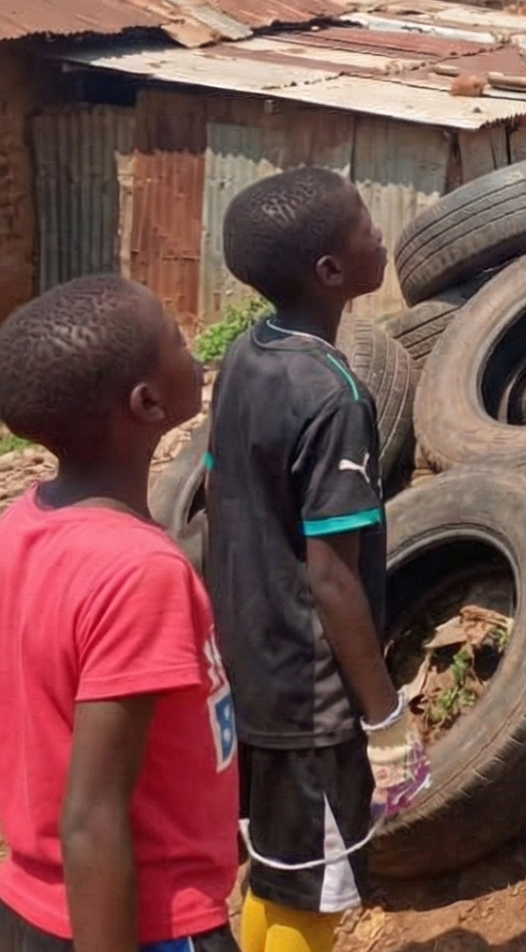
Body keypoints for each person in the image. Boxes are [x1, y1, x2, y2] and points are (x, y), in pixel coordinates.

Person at [206, 169, 430, 952]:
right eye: (366, 225)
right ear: (331, 272)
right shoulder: (333, 396)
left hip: (247, 664)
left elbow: (221, 496)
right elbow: (332, 576)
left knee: (279, 867)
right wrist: (383, 716)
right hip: (310, 694)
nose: (380, 235)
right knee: (316, 897)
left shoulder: (245, 356)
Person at [0, 276, 238, 952]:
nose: (193, 348)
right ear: (147, 402)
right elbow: (92, 819)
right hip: (142, 921)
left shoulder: (23, 523)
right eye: (175, 336)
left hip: (34, 905)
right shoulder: (140, 573)